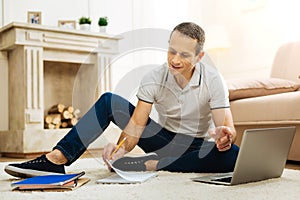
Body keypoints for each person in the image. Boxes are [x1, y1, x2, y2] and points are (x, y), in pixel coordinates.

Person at [4, 22, 239, 178]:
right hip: (162, 139)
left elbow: (226, 124)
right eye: (171, 51)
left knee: (234, 155)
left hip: (196, 144)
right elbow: (136, 125)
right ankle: (56, 159)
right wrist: (120, 150)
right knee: (108, 101)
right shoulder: (154, 77)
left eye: (184, 55)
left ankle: (149, 164)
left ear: (199, 57)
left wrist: (224, 136)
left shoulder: (212, 79)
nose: (175, 60)